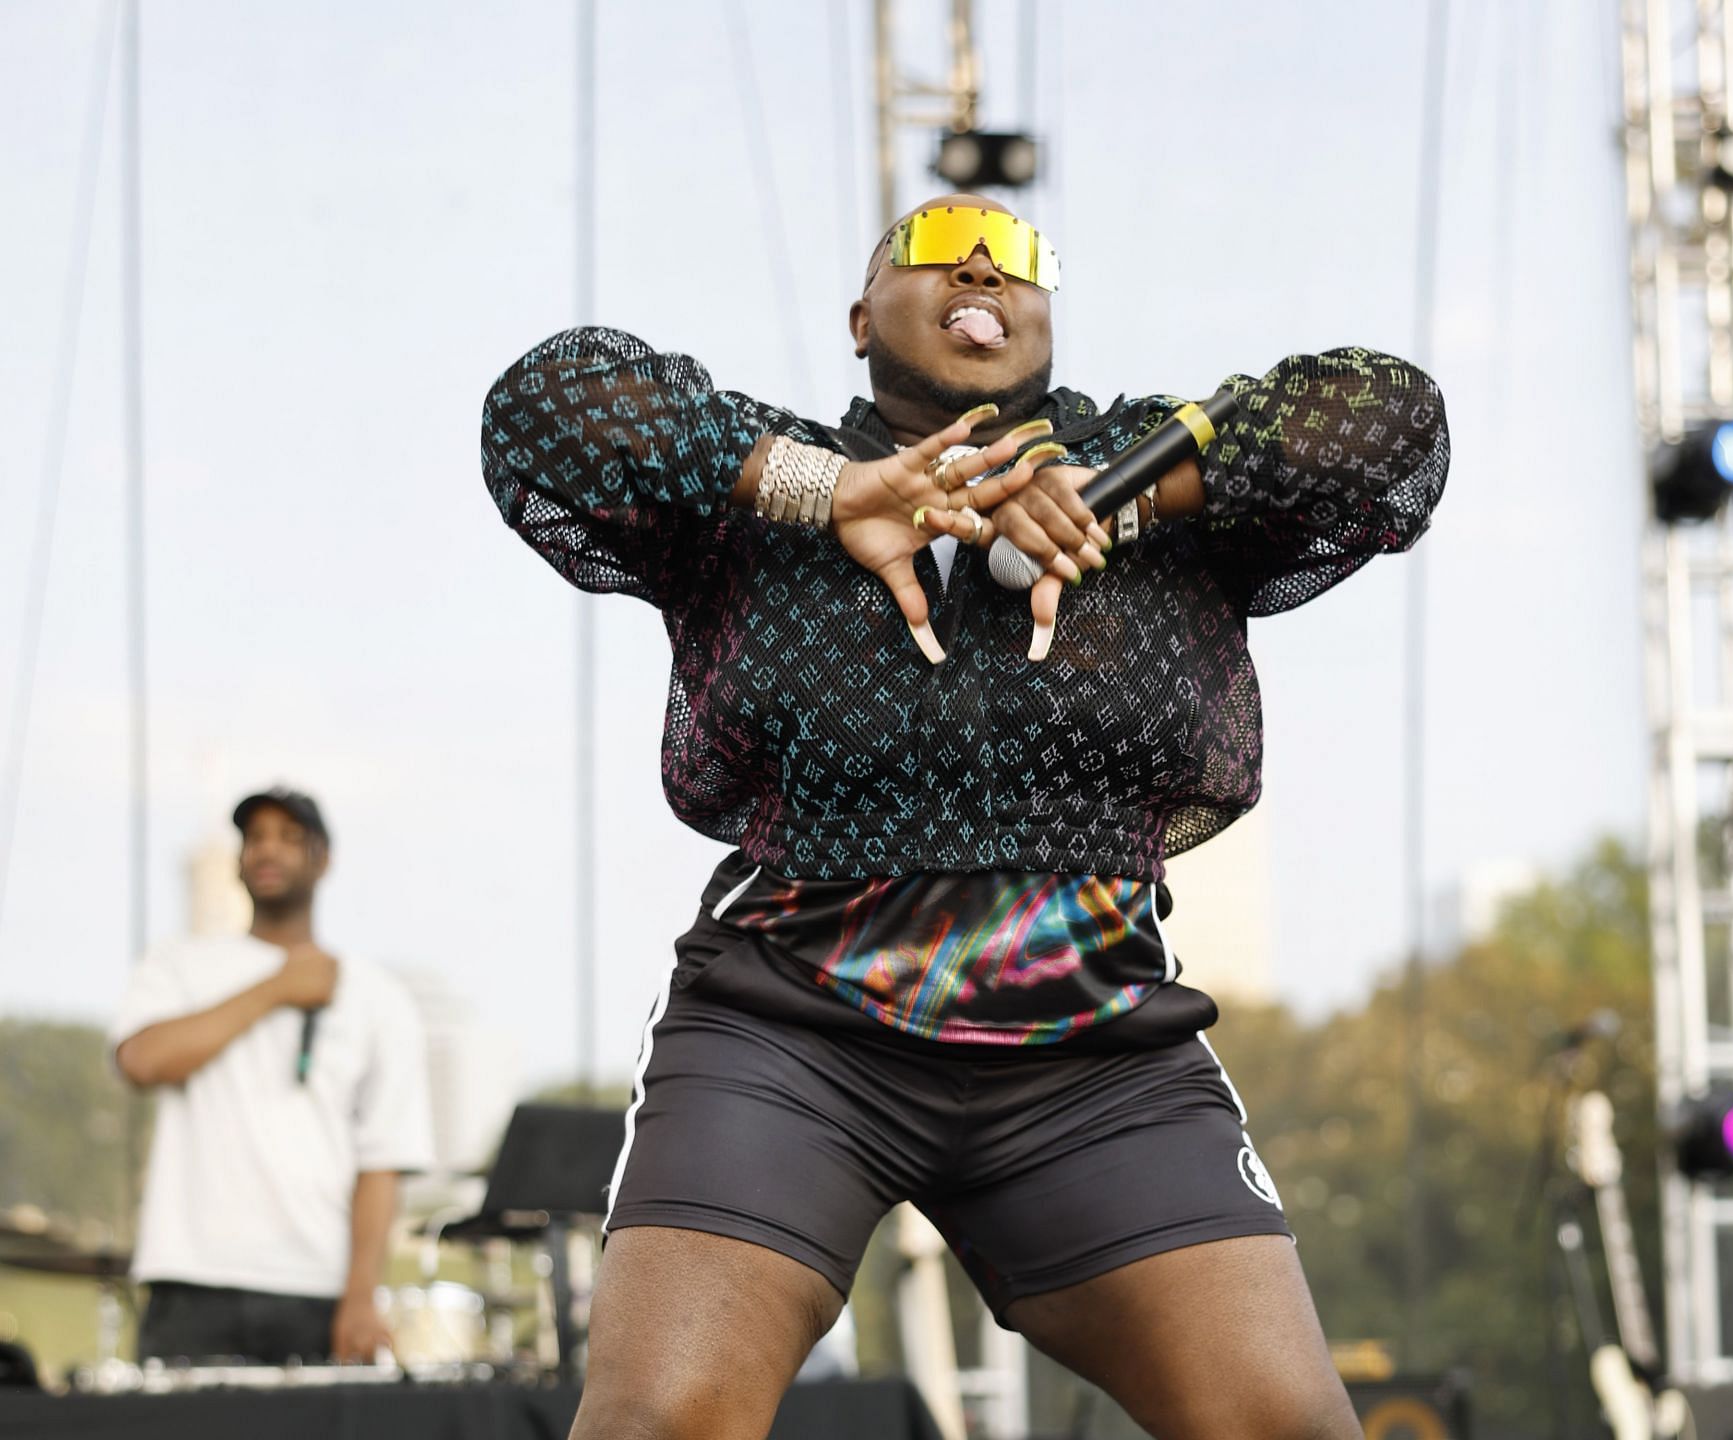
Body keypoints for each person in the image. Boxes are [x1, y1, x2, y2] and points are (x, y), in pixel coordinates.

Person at [482, 194, 1449, 1440]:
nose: (982, 260)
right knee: (660, 1419)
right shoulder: (750, 497)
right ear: (859, 319)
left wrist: (1121, 493)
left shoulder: (1160, 472)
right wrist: (823, 489)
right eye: (932, 247)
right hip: (791, 1032)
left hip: (1091, 1053)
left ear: (1047, 314)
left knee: (1291, 1427)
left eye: (1019, 254)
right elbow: (545, 407)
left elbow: (1391, 418)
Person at [113, 787, 436, 1365]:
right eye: (254, 836)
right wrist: (278, 987)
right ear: (239, 858)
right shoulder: (179, 963)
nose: (268, 850)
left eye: (290, 837)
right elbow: (142, 1061)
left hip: (314, 1289)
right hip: (190, 1280)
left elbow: (382, 1160)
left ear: (324, 859)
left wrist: (361, 1296)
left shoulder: (378, 997)